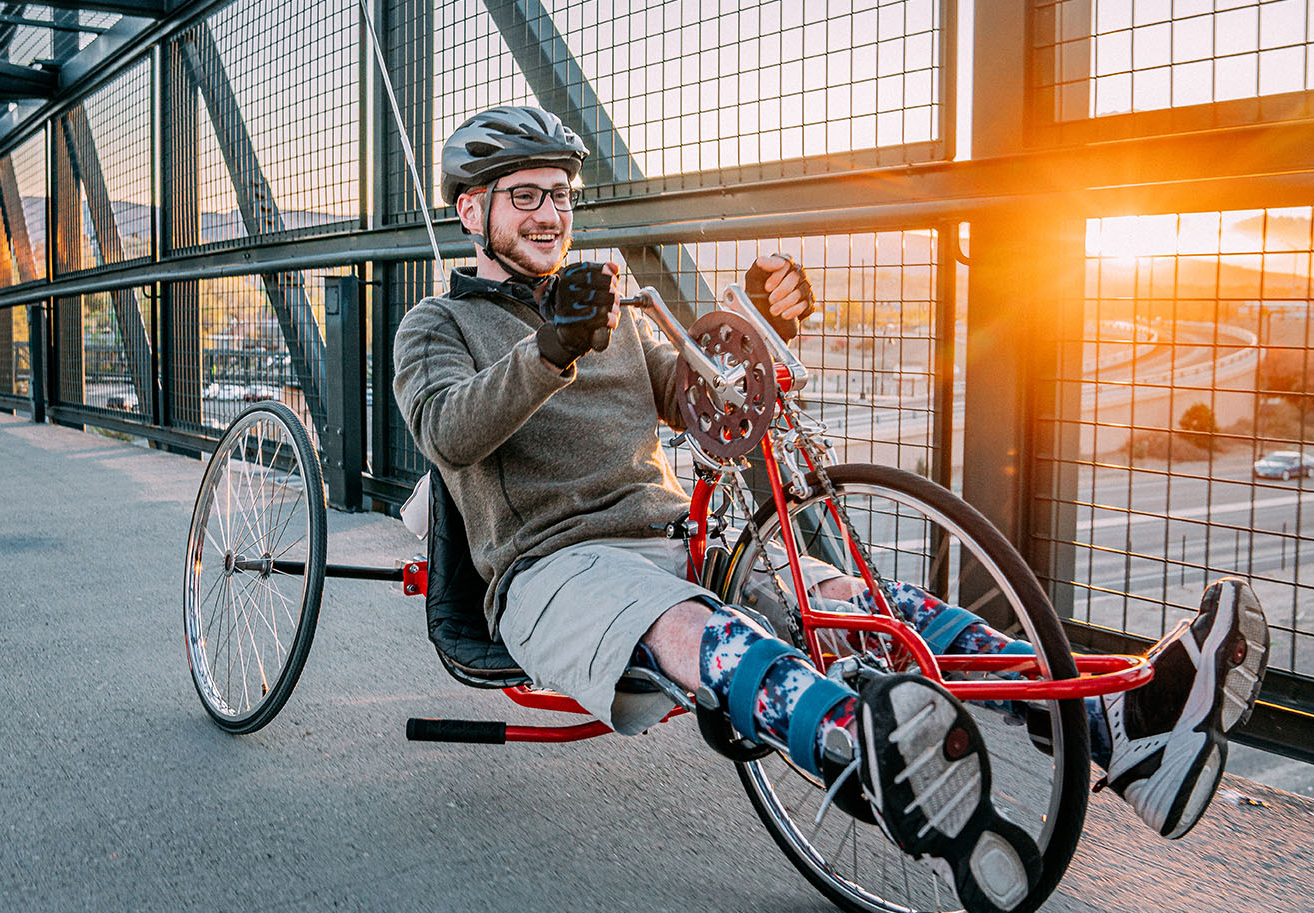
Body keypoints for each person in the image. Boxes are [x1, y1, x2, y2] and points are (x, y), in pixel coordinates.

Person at [392, 106, 1269, 913]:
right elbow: (446, 430)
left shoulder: (607, 311)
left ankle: (1127, 725)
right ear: (472, 213)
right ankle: (868, 748)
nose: (550, 214)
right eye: (525, 196)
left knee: (862, 602)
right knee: (687, 625)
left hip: (676, 542)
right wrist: (550, 349)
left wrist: (755, 327)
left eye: (562, 195)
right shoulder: (436, 326)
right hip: (556, 567)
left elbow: (697, 399)